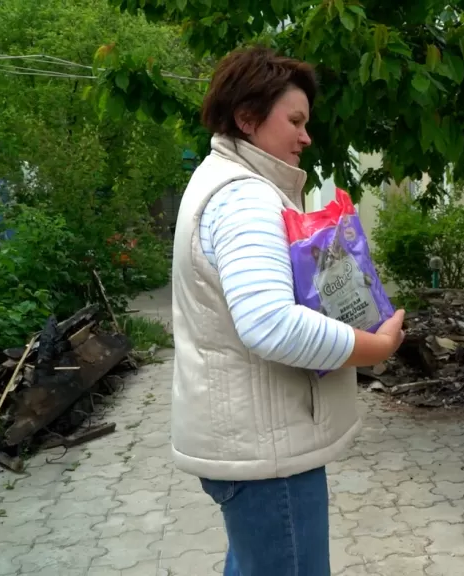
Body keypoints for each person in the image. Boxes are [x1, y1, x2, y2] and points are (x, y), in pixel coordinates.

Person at [170, 46, 406, 576]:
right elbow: (269, 325)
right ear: (248, 118)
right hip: (267, 453)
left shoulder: (219, 179)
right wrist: (378, 347)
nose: (306, 136)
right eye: (295, 121)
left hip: (250, 444)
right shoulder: (245, 198)